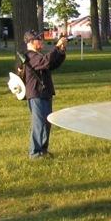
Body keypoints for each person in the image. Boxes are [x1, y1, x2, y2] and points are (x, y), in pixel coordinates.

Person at [20, 30, 68, 159]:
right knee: (39, 123)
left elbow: (52, 64)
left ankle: (43, 151)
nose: (41, 41)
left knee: (47, 123)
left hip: (44, 93)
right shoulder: (30, 56)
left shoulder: (38, 56)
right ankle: (35, 152)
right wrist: (56, 47)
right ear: (31, 42)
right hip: (36, 94)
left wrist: (61, 51)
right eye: (38, 39)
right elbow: (45, 61)